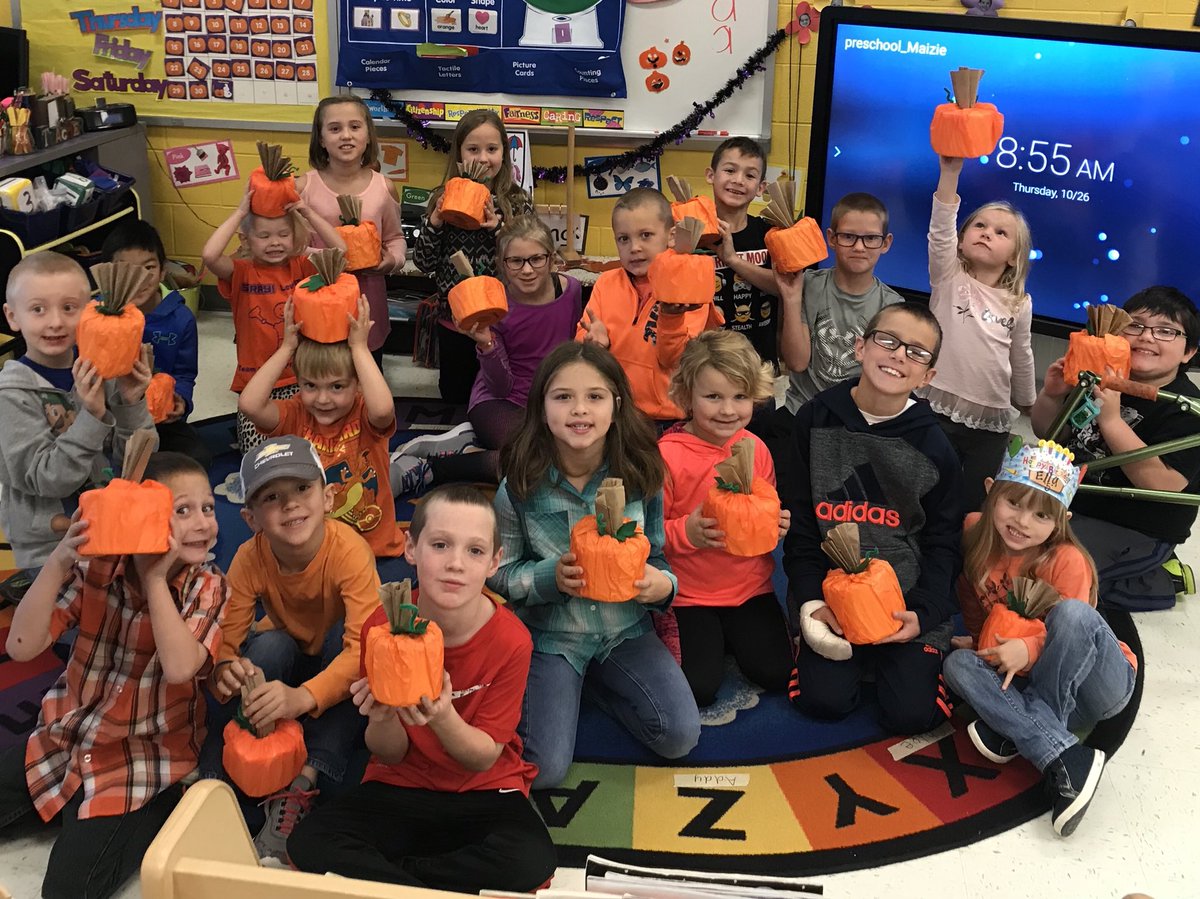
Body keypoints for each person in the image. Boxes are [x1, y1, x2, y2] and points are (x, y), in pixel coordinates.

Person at [287, 485, 557, 892]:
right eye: (441, 545)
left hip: (482, 792)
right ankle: (425, 882)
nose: (455, 564)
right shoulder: (381, 628)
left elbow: (484, 757)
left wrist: (443, 716)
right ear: (411, 549)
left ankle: (401, 882)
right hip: (400, 787)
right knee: (309, 842)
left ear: (494, 563)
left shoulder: (511, 640)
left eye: (475, 551)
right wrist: (381, 716)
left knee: (531, 860)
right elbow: (389, 751)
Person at [0, 451, 226, 899]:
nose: (203, 522)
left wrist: (157, 580)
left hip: (140, 763)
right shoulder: (98, 568)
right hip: (64, 741)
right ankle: (68, 807)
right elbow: (20, 646)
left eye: (208, 508)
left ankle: (154, 812)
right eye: (182, 510)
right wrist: (60, 561)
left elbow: (182, 668)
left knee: (69, 889)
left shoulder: (208, 584)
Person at [490, 341, 701, 788]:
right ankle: (572, 681)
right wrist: (549, 578)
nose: (579, 410)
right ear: (542, 406)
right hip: (551, 636)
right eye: (563, 396)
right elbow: (499, 574)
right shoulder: (520, 487)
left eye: (595, 396)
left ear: (616, 405)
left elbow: (659, 555)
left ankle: (598, 686)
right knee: (544, 770)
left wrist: (660, 586)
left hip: (624, 630)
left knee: (679, 735)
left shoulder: (641, 475)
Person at [199, 436, 381, 863]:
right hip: (291, 656)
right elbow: (227, 637)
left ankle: (303, 780)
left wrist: (302, 698)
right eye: (272, 497)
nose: (291, 505)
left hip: (337, 662)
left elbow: (362, 649)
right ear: (250, 517)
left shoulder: (350, 551)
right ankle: (218, 778)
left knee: (359, 656)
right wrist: (225, 667)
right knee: (264, 650)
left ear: (328, 495)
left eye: (303, 489)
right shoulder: (248, 557)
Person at [784, 302, 964, 734]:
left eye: (917, 353)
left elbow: (944, 543)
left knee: (910, 716)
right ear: (861, 347)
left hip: (903, 598)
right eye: (889, 340)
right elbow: (802, 527)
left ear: (928, 377)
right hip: (833, 592)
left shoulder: (937, 447)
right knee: (823, 702)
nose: (900, 355)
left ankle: (911, 665)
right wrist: (811, 601)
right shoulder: (813, 419)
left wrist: (925, 611)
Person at [944, 440, 1136, 837]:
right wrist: (982, 641)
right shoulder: (975, 539)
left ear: (1061, 520)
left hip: (1096, 683)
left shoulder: (1067, 559)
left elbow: (1074, 636)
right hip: (1036, 680)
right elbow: (974, 602)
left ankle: (1024, 729)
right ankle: (1063, 753)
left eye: (1041, 514)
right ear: (990, 491)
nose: (1023, 522)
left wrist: (1027, 648)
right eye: (1013, 503)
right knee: (957, 664)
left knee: (1073, 613)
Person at [1030, 286, 1200, 610]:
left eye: (1165, 331)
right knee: (997, 540)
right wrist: (1052, 395)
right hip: (1071, 504)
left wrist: (1111, 421)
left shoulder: (1188, 408)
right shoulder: (1100, 373)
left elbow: (1164, 484)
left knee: (1051, 584)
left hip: (1135, 526)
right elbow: (1051, 435)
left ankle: (1163, 580)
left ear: (1189, 351)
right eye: (1135, 325)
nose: (1147, 337)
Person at [391, 216, 584, 495]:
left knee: (573, 457)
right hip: (502, 401)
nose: (527, 270)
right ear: (502, 264)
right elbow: (499, 385)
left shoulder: (571, 290)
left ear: (552, 259)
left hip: (553, 398)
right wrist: (487, 345)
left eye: (536, 259)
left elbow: (570, 349)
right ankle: (431, 468)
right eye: (516, 261)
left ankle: (469, 445)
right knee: (535, 463)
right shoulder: (495, 304)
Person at [659, 331, 794, 706]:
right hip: (689, 594)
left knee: (777, 673)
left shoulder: (756, 449)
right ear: (687, 397)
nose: (728, 410)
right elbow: (647, 534)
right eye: (713, 397)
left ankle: (731, 637)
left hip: (750, 587)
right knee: (698, 688)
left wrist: (774, 525)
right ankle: (695, 635)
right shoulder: (668, 457)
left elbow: (762, 508)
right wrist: (686, 531)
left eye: (740, 397)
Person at [0, 252, 156, 571]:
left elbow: (140, 463)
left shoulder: (102, 372)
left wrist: (130, 403)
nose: (56, 321)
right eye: (38, 309)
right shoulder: (11, 395)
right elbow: (48, 480)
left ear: (88, 313)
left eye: (69, 308)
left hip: (109, 528)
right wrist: (92, 416)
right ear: (12, 316)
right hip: (52, 548)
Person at [238, 296, 405, 556]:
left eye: (337, 386)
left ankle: (419, 464)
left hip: (374, 548)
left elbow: (384, 410)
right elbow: (250, 405)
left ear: (358, 384)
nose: (323, 399)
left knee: (399, 476)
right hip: (318, 548)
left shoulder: (364, 410)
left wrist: (360, 348)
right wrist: (286, 348)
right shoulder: (296, 412)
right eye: (310, 386)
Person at [917, 155, 1036, 511]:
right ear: (961, 239)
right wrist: (950, 172)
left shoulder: (1019, 303)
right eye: (979, 226)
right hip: (934, 403)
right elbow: (940, 230)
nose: (987, 232)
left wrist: (1028, 402)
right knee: (923, 489)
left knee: (972, 501)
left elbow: (1022, 354)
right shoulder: (948, 277)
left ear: (1015, 257)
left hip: (989, 420)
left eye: (1001, 233)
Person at [201, 182, 347, 455]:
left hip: (300, 377)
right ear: (246, 240)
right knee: (259, 457)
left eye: (283, 234)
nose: (275, 242)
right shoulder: (241, 272)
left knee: (305, 451)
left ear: (294, 236)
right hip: (257, 381)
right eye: (264, 236)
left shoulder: (301, 266)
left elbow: (340, 252)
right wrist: (239, 212)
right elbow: (210, 255)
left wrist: (307, 212)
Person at [412, 109, 534, 404]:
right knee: (455, 391)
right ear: (459, 153)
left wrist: (500, 231)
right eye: (473, 149)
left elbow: (529, 264)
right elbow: (424, 262)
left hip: (502, 321)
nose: (482, 158)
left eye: (492, 149)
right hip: (454, 320)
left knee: (501, 391)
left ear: (504, 153)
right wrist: (436, 222)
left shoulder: (516, 202)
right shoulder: (442, 197)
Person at [576, 187, 722, 426]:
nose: (634, 247)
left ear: (671, 236)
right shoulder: (606, 283)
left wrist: (671, 317)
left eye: (645, 235)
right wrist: (593, 343)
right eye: (624, 239)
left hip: (667, 418)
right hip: (615, 412)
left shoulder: (687, 287)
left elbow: (676, 360)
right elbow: (582, 338)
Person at [297, 95, 407, 366]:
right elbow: (293, 245)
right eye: (334, 129)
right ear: (321, 138)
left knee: (367, 371)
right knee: (322, 376)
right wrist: (325, 259)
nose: (346, 135)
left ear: (368, 134)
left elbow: (395, 238)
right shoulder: (302, 188)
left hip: (366, 296)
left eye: (355, 127)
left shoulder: (383, 188)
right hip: (318, 297)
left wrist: (391, 261)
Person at [102, 219, 211, 468]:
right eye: (126, 269)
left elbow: (184, 373)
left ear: (163, 271)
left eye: (148, 268)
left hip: (159, 420)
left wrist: (181, 401)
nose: (139, 278)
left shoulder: (180, 318)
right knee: (98, 466)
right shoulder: (98, 318)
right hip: (110, 419)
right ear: (109, 274)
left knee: (196, 460)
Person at [705, 137, 780, 369]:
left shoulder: (771, 234)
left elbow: (783, 287)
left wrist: (733, 260)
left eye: (749, 175)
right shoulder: (693, 232)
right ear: (711, 175)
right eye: (729, 170)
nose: (738, 180)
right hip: (705, 361)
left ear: (760, 188)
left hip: (759, 363)